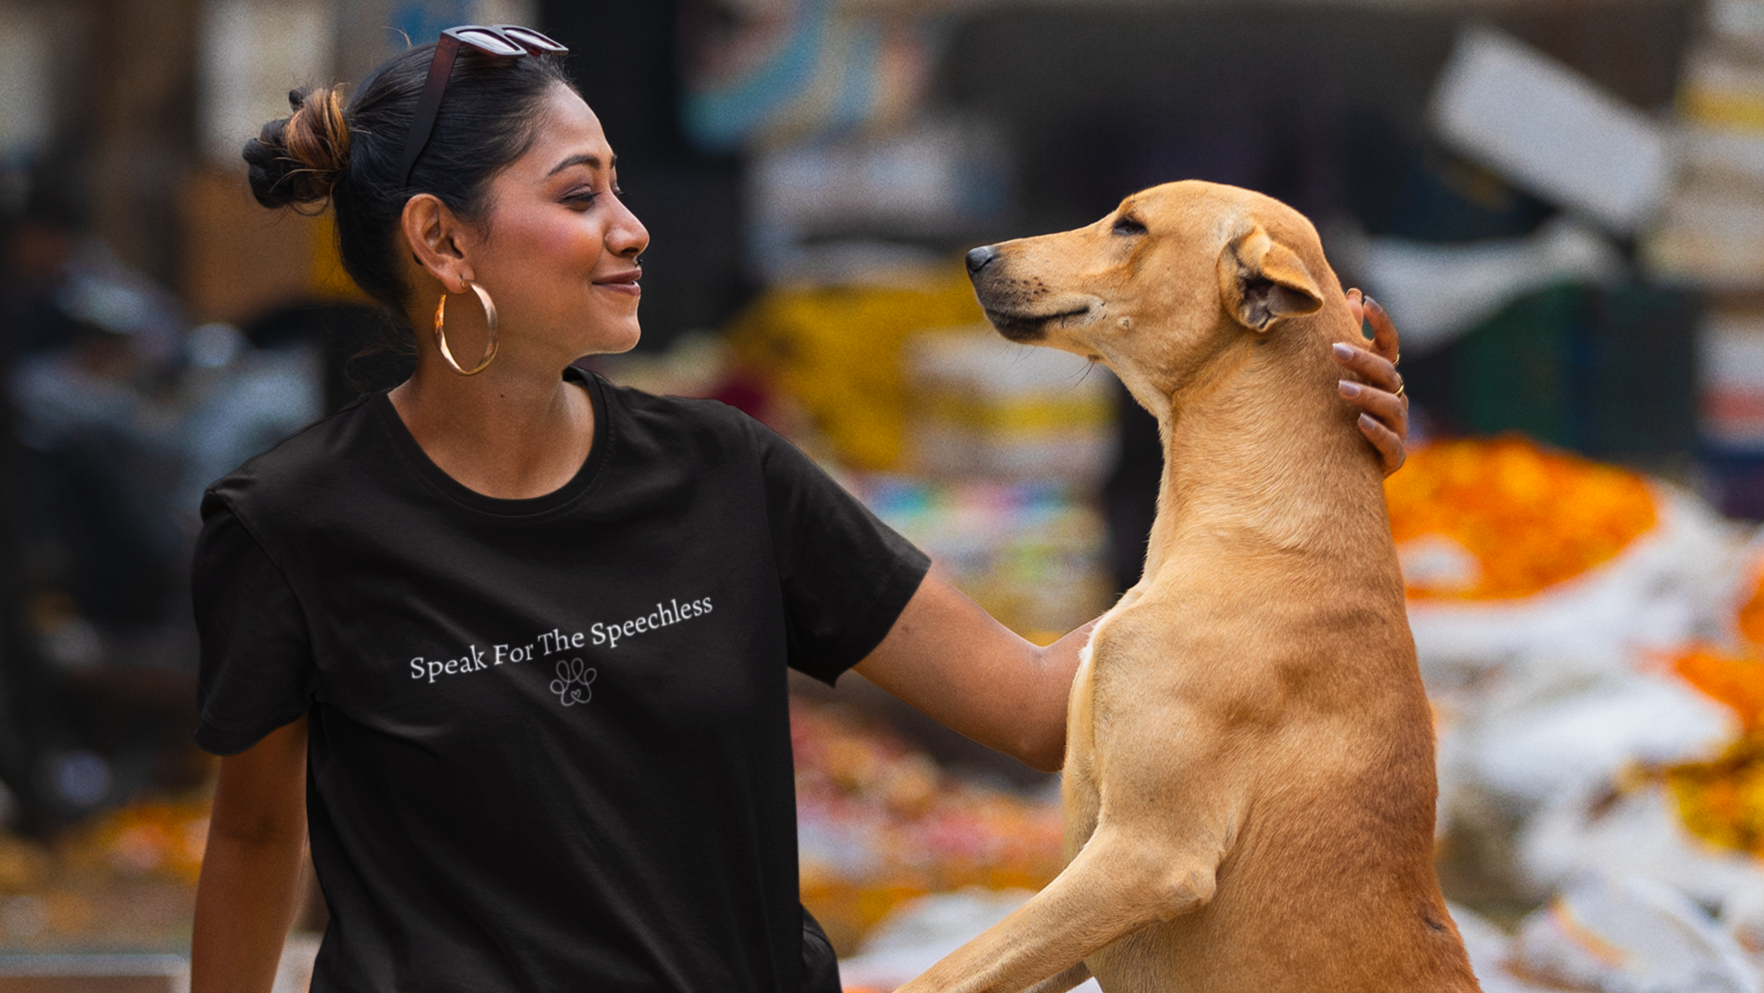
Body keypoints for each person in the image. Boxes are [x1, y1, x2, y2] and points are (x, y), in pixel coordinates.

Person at [189, 25, 1410, 993]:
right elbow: (252, 843)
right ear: (442, 242)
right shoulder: (291, 525)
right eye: (578, 197)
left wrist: (1296, 443)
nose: (633, 227)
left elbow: (1039, 709)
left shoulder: (729, 472)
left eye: (620, 185)